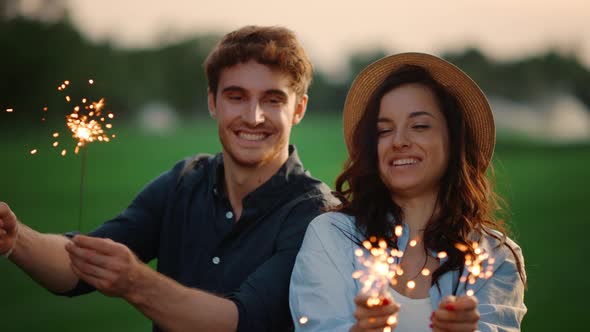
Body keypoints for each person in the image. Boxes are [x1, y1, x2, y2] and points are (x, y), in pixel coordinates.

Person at [0, 25, 337, 332]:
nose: (253, 116)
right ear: (212, 102)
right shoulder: (184, 181)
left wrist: (135, 282)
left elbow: (242, 321)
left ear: (298, 109)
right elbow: (76, 269)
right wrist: (14, 237)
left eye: (272, 99)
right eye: (236, 97)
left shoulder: (316, 216)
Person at [289, 52, 526, 332]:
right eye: (384, 130)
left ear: (454, 140)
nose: (399, 141)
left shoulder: (494, 256)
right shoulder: (331, 235)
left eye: (420, 126)